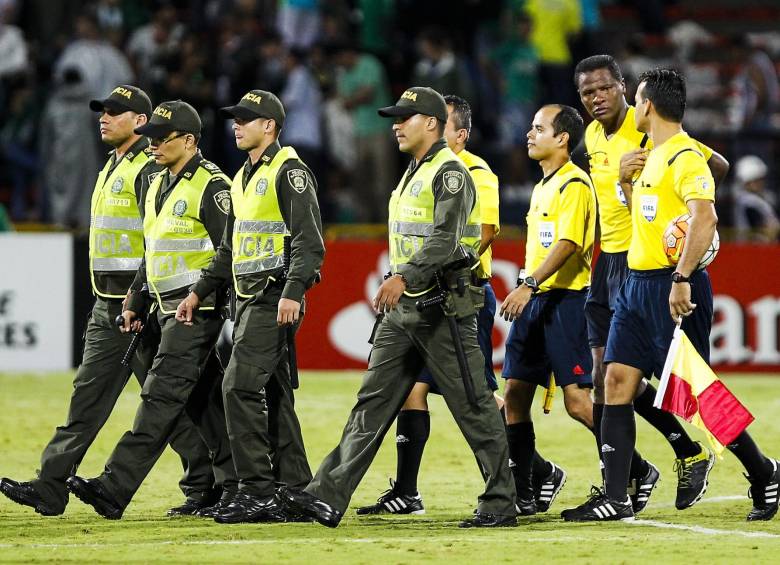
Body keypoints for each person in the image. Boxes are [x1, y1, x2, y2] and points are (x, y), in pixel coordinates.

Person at [280, 86, 517, 528]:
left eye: (404, 117)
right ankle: (326, 496)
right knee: (370, 404)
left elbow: (445, 240)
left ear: (431, 123)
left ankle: (501, 501)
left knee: (473, 406)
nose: (395, 124)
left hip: (444, 311)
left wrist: (403, 275)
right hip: (405, 313)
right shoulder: (414, 171)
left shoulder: (450, 173)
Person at [563, 68, 780, 522]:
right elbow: (646, 217)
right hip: (636, 286)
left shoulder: (683, 156)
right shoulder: (651, 156)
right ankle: (617, 496)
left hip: (670, 286)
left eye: (636, 99)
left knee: (696, 396)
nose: (633, 106)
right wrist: (625, 184)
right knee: (617, 382)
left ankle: (764, 473)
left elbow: (705, 219)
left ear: (647, 105)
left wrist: (682, 278)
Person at [0, 86, 216, 518]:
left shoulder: (148, 171)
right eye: (104, 111)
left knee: (167, 402)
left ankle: (205, 483)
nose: (104, 118)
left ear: (141, 121)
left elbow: (157, 242)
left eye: (116, 112)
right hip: (110, 305)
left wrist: (143, 299)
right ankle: (51, 485)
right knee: (97, 399)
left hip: (140, 308)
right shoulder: (112, 165)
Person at [65, 100, 238, 520]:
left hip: (196, 309)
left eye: (164, 137)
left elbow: (230, 250)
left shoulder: (213, 187)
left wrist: (201, 294)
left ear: (191, 141)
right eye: (153, 136)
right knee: (201, 400)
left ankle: (113, 486)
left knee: (160, 394)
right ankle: (228, 485)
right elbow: (153, 251)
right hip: (165, 306)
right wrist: (136, 298)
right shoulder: (158, 182)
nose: (155, 144)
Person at [176, 89, 325, 523]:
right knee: (274, 394)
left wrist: (293, 292)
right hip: (248, 302)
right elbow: (229, 250)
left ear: (270, 127)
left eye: (245, 119)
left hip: (271, 298)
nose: (236, 125)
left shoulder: (289, 171)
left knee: (237, 387)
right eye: (235, 119)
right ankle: (295, 489)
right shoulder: (242, 176)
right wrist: (199, 291)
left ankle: (257, 490)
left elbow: (309, 243)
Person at [498, 104, 596, 515]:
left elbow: (568, 244)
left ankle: (633, 470)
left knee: (578, 402)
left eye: (539, 128)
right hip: (537, 300)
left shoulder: (574, 183)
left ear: (563, 139)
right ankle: (524, 490)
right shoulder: (543, 186)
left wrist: (528, 284)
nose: (529, 134)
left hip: (565, 300)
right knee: (514, 396)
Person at [732, 155, 779, 242]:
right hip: (755, 247)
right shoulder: (748, 202)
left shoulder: (760, 199)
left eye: (761, 179)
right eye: (757, 180)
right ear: (747, 182)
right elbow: (766, 228)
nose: (761, 183)